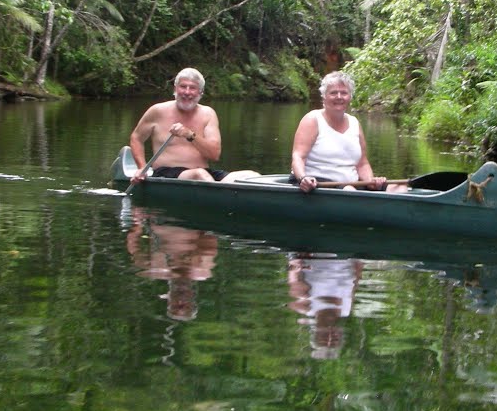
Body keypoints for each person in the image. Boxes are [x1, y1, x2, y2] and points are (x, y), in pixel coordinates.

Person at [128, 67, 259, 183]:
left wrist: (189, 135)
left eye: (192, 88)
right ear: (175, 89)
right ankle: (219, 198)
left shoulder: (208, 114)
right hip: (167, 174)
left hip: (204, 173)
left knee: (252, 176)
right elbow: (136, 138)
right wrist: (142, 167)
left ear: (200, 92)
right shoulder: (157, 111)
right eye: (183, 86)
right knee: (199, 174)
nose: (187, 92)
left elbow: (214, 154)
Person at [289, 70, 406, 193]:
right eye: (333, 93)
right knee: (349, 190)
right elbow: (298, 156)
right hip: (316, 184)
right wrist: (303, 178)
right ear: (324, 96)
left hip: (350, 185)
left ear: (349, 96)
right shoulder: (312, 119)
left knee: (399, 188)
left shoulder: (355, 123)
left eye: (343, 93)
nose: (339, 97)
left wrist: (371, 181)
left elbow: (362, 163)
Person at [125, 208, 219, 322]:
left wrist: (137, 223)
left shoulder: (152, 270)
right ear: (193, 300)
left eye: (176, 306)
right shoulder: (202, 270)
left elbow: (133, 246)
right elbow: (210, 238)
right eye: (184, 306)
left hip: (158, 214)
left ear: (169, 300)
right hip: (187, 218)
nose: (180, 301)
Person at [286, 252, 364, 360]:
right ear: (341, 334)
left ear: (315, 332)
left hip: (318, 251)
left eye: (324, 338)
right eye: (335, 340)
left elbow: (294, 269)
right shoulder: (347, 309)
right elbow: (357, 277)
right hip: (347, 253)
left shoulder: (304, 306)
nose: (330, 336)